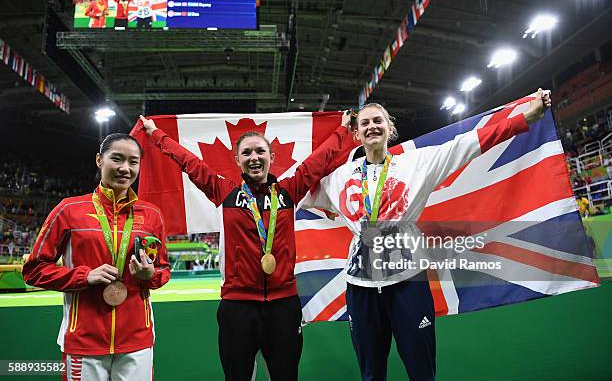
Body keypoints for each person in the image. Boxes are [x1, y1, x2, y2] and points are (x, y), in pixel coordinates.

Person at [303, 89, 552, 381]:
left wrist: (525, 117)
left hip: (408, 282)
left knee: (421, 371)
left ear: (389, 128)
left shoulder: (417, 163)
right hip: (360, 285)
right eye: (365, 123)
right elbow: (297, 185)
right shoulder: (339, 178)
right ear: (356, 135)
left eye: (378, 121)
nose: (372, 126)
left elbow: (468, 144)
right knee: (371, 373)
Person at [139, 113, 352, 381]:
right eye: (247, 152)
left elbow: (318, 161)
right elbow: (189, 162)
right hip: (237, 306)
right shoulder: (225, 192)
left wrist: (343, 130)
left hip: (283, 305)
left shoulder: (288, 191)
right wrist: (156, 134)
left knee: (286, 376)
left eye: (260, 151)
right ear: (237, 160)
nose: (254, 157)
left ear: (272, 158)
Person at [22, 133, 170, 381]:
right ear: (100, 160)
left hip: (137, 341)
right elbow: (34, 269)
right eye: (117, 159)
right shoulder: (69, 210)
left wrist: (150, 275)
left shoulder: (152, 215)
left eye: (133, 162)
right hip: (84, 340)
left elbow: (163, 270)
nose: (125, 168)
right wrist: (84, 276)